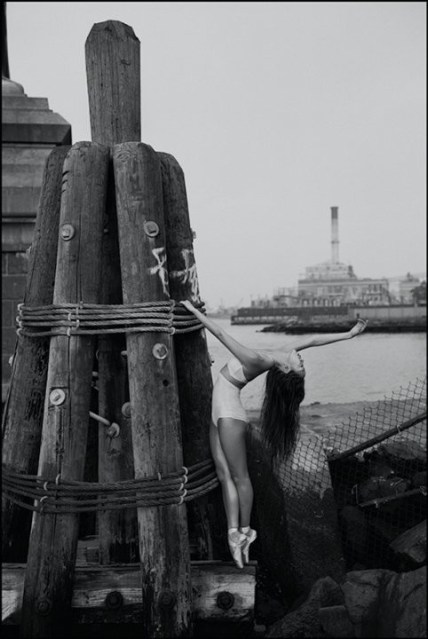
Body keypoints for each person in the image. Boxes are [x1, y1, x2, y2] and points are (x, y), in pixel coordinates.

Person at [181, 300, 368, 568]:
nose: (302, 361)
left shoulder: (259, 360)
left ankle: (245, 531)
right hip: (217, 412)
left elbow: (221, 334)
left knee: (240, 477)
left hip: (229, 415)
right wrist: (348, 334)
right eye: (302, 365)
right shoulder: (283, 354)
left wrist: (194, 311)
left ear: (286, 370)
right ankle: (235, 535)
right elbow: (314, 340)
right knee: (224, 476)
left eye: (300, 366)